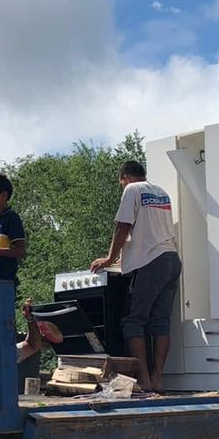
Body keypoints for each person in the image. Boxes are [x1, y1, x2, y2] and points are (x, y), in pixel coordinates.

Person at [91, 160, 181, 392]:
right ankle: (158, 379)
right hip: (171, 259)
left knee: (134, 321)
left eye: (121, 183)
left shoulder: (132, 190)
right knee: (160, 322)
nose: (122, 187)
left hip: (153, 263)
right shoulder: (161, 192)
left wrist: (110, 258)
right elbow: (149, 231)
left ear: (126, 178)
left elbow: (122, 226)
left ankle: (144, 380)